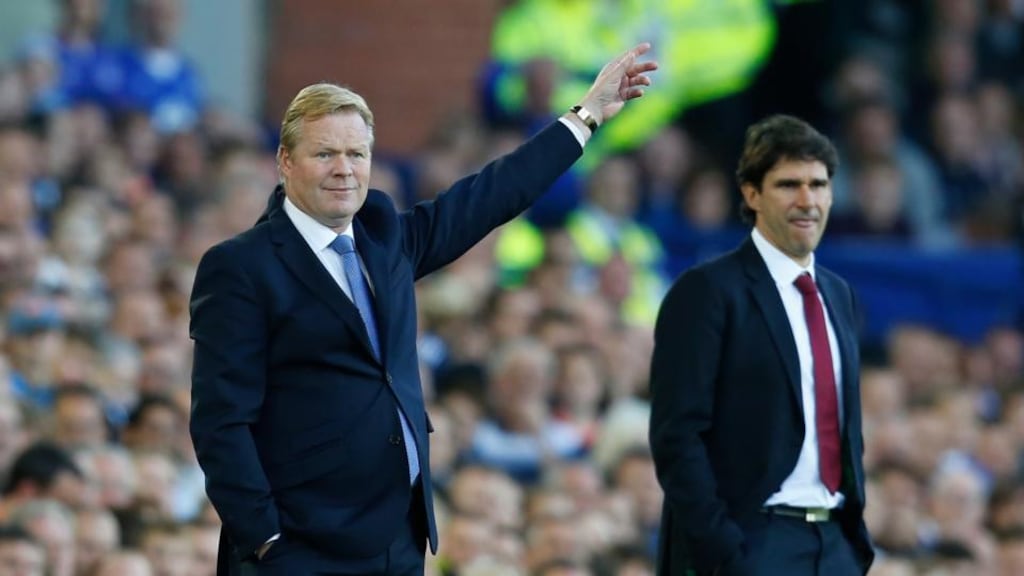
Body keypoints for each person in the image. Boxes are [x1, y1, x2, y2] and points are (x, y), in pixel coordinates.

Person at [188, 43, 657, 575]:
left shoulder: (384, 238)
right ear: (285, 161)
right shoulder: (241, 267)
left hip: (398, 542)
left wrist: (586, 114)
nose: (344, 170)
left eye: (356, 154)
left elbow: (490, 195)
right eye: (325, 154)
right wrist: (265, 537)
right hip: (300, 551)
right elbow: (220, 422)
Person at [648, 115, 874, 575]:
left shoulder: (839, 294)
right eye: (788, 185)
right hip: (753, 543)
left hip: (833, 545)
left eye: (819, 184)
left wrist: (852, 546)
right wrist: (724, 550)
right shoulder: (707, 290)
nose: (807, 200)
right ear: (752, 194)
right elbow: (677, 436)